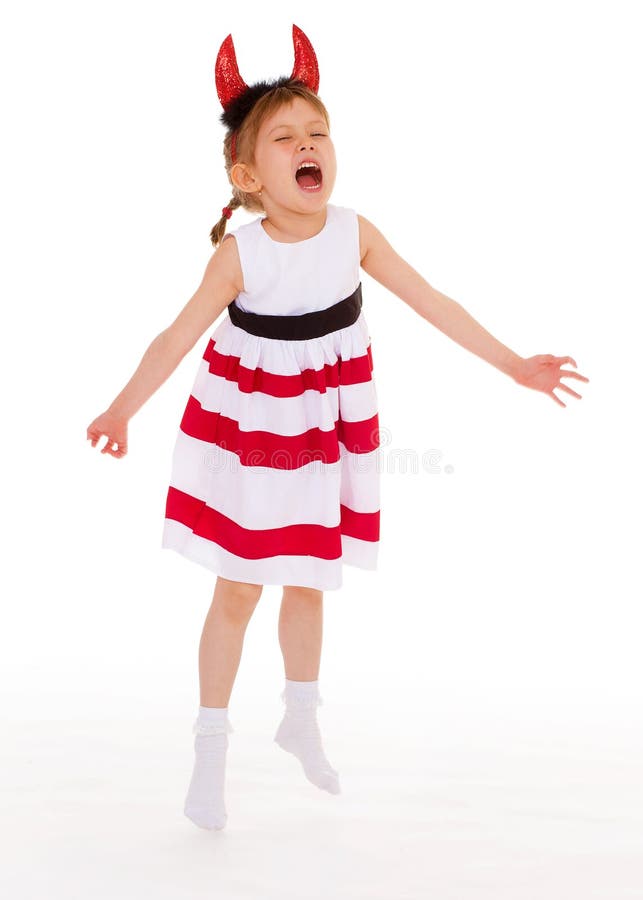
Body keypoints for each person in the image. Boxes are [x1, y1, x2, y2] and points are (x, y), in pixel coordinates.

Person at [86, 24, 589, 832]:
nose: (307, 144)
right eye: (285, 137)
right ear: (249, 174)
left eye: (317, 131)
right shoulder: (240, 256)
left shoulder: (355, 232)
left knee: (312, 578)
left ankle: (299, 714)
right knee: (241, 584)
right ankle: (210, 742)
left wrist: (513, 364)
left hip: (323, 426)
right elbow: (175, 338)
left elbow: (436, 303)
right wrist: (121, 408)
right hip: (251, 431)